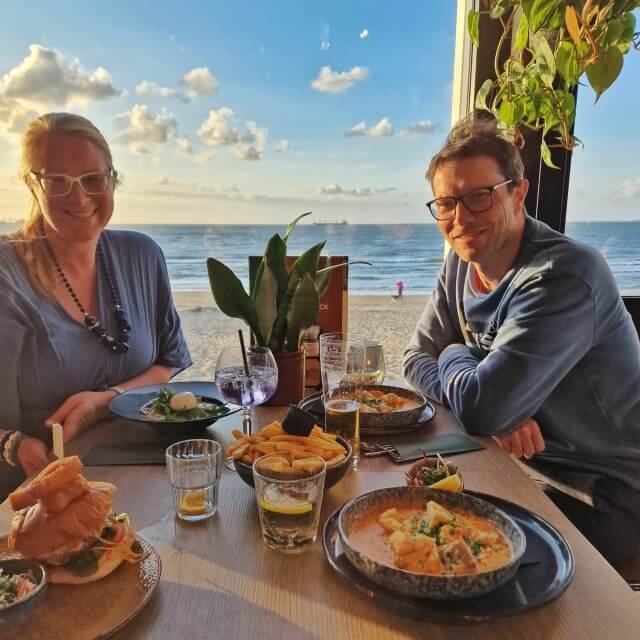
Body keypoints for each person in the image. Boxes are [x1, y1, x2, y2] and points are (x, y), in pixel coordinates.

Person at [402, 113, 640, 566]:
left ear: (518, 192)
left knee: (449, 570)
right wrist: (493, 407)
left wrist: (456, 354)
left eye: (478, 197)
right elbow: (414, 359)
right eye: (446, 203)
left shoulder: (563, 276)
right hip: (519, 470)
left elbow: (480, 403)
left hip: (609, 497)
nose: (460, 218)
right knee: (405, 530)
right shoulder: (459, 263)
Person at [0, 112, 192, 498]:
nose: (79, 197)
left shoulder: (142, 254)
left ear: (113, 181)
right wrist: (14, 445)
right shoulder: (7, 273)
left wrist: (106, 401)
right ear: (31, 184)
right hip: (36, 490)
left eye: (92, 179)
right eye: (57, 181)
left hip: (146, 473)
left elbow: (168, 362)